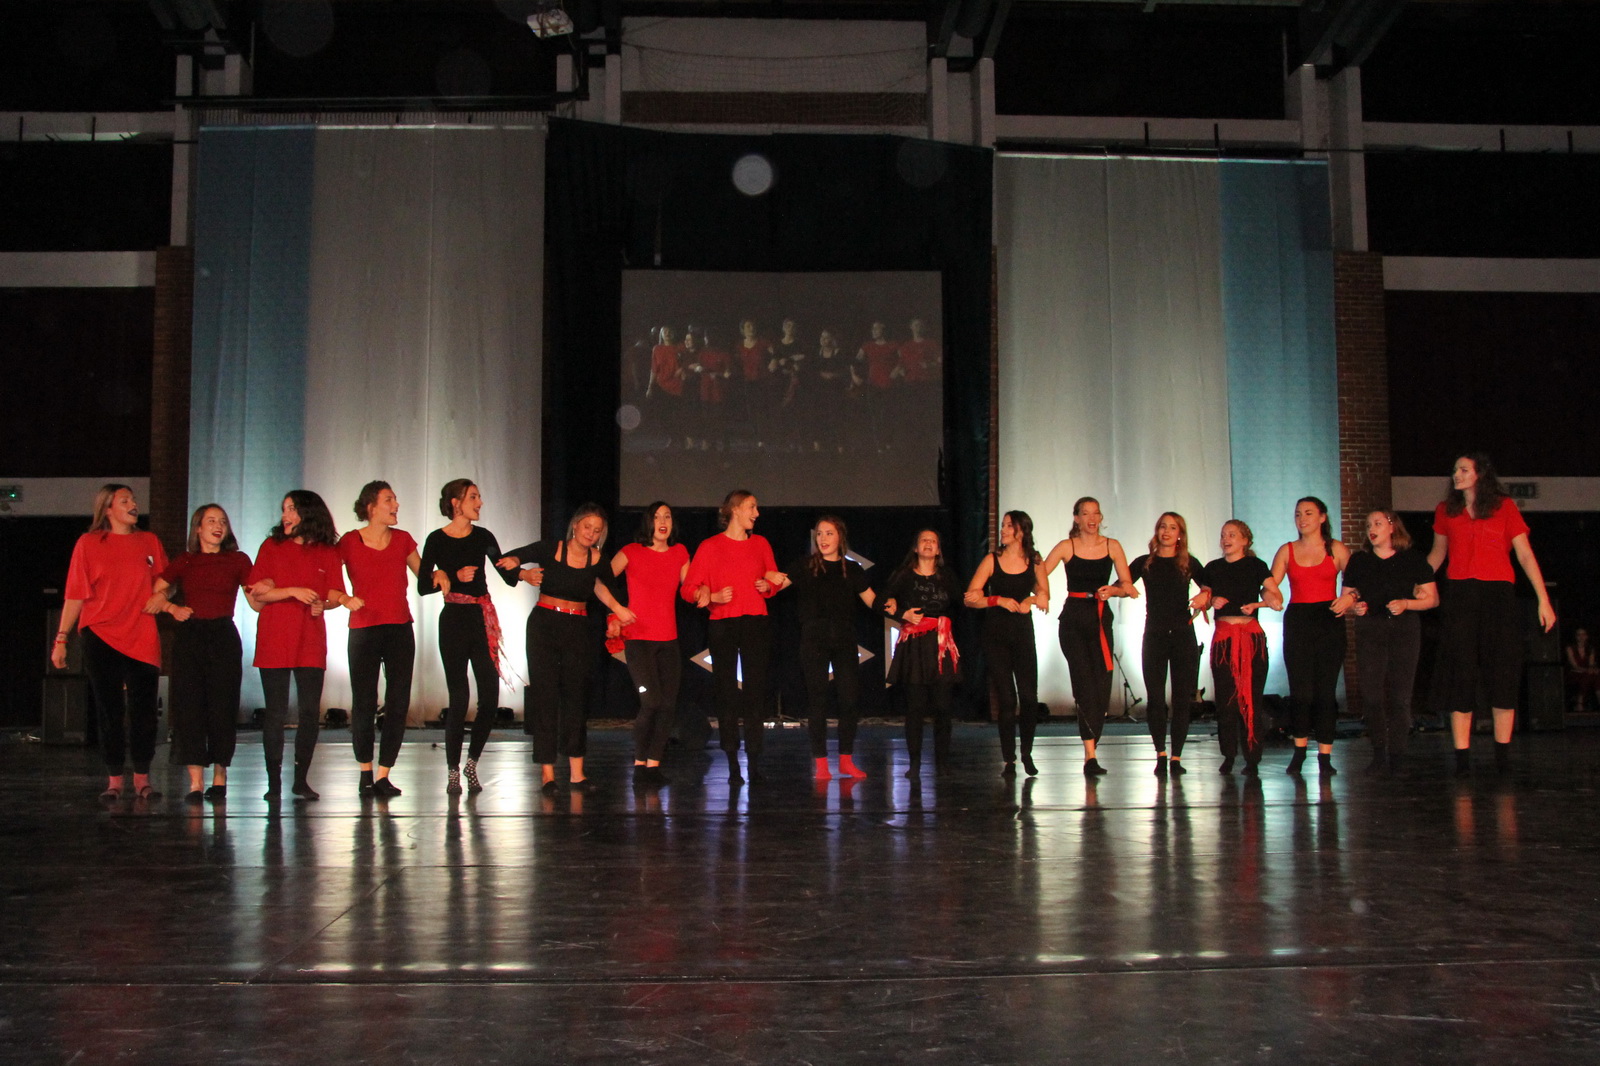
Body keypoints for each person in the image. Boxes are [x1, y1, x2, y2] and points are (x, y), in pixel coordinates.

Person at [1427, 452, 1556, 775]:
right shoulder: (1446, 510)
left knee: (1502, 672)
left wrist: (1543, 599)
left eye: (1463, 469)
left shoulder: (1504, 507)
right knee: (1461, 673)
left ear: (1480, 474)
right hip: (1460, 595)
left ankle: (1502, 758)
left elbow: (1525, 555)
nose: (1456, 474)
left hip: (1498, 596)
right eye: (1455, 469)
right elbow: (1438, 554)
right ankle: (1461, 759)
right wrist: (1414, 582)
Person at [502, 504, 636, 794]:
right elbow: (508, 560)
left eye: (597, 531)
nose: (591, 533)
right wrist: (523, 574)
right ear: (575, 525)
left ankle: (577, 773)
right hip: (544, 625)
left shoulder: (598, 558)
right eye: (587, 527)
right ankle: (547, 774)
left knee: (576, 697)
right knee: (545, 696)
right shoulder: (550, 548)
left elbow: (604, 587)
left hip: (578, 628)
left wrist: (617, 612)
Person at [52, 484, 172, 802]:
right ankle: (115, 779)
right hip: (102, 635)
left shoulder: (149, 541)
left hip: (142, 634)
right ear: (108, 509)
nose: (133, 504)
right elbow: (75, 594)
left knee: (145, 711)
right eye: (125, 500)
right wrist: (61, 638)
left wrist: (163, 595)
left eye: (133, 499)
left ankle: (143, 778)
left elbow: (166, 582)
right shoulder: (89, 543)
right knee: (110, 710)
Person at [417, 479, 519, 795]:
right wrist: (449, 576)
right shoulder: (436, 539)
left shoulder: (483, 537)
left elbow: (506, 574)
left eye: (479, 496)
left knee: (490, 695)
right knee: (459, 697)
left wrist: (523, 570)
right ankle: (452, 771)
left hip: (480, 619)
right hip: (453, 620)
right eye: (473, 497)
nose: (480, 502)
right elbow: (422, 585)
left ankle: (472, 763)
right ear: (455, 503)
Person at [246, 490, 349, 801]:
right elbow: (257, 594)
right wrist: (292, 591)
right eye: (283, 509)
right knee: (275, 712)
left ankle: (300, 780)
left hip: (310, 640)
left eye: (291, 509)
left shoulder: (327, 551)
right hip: (275, 637)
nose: (285, 516)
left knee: (309, 712)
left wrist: (322, 604)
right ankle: (273, 783)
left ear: (308, 513)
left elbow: (333, 594)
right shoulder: (271, 546)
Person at [682, 490, 789, 785]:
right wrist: (711, 595)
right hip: (723, 623)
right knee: (726, 692)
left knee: (755, 692)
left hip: (755, 622)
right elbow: (688, 589)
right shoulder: (710, 546)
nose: (757, 513)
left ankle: (754, 761)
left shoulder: (761, 543)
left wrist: (768, 585)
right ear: (735, 509)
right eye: (752, 507)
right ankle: (732, 762)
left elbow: (774, 580)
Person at [149, 504, 252, 803]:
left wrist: (270, 588)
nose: (218, 526)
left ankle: (220, 776)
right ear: (198, 528)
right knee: (190, 706)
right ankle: (195, 782)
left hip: (223, 634)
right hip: (191, 635)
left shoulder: (238, 559)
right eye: (211, 521)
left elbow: (255, 594)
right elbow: (158, 590)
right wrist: (172, 608)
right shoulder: (186, 560)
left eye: (223, 521)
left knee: (222, 706)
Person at [338, 481, 422, 798]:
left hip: (399, 628)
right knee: (364, 702)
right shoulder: (349, 541)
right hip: (364, 628)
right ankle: (365, 772)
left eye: (396, 499)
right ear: (371, 507)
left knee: (398, 702)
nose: (396, 505)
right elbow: (327, 575)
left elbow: (425, 575)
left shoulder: (402, 540)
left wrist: (442, 575)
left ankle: (384, 773)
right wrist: (343, 598)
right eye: (389, 500)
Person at [1042, 497, 1135, 774]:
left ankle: (1093, 745)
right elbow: (1039, 572)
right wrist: (1041, 594)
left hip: (1100, 618)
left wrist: (1113, 590)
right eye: (1086, 513)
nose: (1092, 518)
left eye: (1096, 513)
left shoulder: (1112, 546)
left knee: (1102, 685)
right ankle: (1090, 755)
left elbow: (1127, 585)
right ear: (1077, 518)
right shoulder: (1066, 546)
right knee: (1083, 684)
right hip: (1073, 619)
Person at [1342, 510, 1438, 775]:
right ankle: (1378, 752)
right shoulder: (1359, 560)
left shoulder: (1412, 559)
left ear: (1392, 527)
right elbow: (1348, 597)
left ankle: (1397, 755)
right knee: (1371, 695)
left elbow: (1432, 599)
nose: (1371, 529)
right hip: (1371, 629)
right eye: (1368, 525)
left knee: (1400, 696)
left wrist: (1407, 603)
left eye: (1377, 524)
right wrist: (1355, 607)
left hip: (1404, 628)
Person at [1266, 496, 1354, 776]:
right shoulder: (1287, 550)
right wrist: (1271, 596)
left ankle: (1325, 756)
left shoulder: (1336, 549)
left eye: (1308, 513)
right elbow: (1269, 584)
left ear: (1322, 517)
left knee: (1325, 692)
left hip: (1328, 621)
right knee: (1301, 692)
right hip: (1299, 622)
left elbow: (1357, 582)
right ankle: (1300, 750)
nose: (1302, 519)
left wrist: (1349, 598)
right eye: (1298, 514)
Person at [788, 515, 877, 780]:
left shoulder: (853, 570)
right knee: (817, 700)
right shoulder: (805, 566)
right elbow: (776, 584)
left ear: (840, 537)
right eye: (819, 534)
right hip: (814, 640)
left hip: (844, 640)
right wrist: (765, 580)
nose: (823, 539)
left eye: (829, 533)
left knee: (849, 699)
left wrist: (897, 608)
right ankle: (821, 763)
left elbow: (873, 601)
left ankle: (846, 760)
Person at [611, 502, 691, 786]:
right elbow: (600, 581)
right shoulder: (631, 552)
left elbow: (690, 589)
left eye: (667, 516)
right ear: (648, 522)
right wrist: (615, 613)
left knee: (667, 706)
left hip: (668, 641)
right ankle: (639, 764)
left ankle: (653, 766)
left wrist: (708, 592)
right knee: (651, 701)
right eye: (657, 517)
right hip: (639, 640)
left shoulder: (680, 553)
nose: (663, 521)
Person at [964, 511, 1048, 776]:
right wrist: (996, 600)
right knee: (1007, 698)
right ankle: (1009, 759)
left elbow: (1044, 594)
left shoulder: (1035, 560)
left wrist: (1031, 600)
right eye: (1003, 525)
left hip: (1022, 633)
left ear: (1021, 531)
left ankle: (1027, 753)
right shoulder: (992, 560)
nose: (1003, 530)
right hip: (996, 633)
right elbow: (970, 597)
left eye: (1008, 526)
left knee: (1029, 697)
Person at [1127, 512, 1211, 777]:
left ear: (1180, 534)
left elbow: (1210, 588)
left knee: (1182, 699)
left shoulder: (1189, 562)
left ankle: (1176, 757)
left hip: (1183, 636)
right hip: (1155, 634)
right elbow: (1122, 583)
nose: (1166, 531)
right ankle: (1160, 754)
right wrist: (1115, 590)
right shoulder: (1145, 562)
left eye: (1172, 528)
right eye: (1162, 526)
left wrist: (1205, 596)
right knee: (1155, 697)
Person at [1197, 520, 1281, 775]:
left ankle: (1252, 757)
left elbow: (1273, 594)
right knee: (1226, 700)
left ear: (1245, 540)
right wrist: (1211, 599)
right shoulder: (1213, 567)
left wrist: (1261, 604)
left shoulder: (1256, 565)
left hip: (1251, 638)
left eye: (1232, 535)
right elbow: (1204, 596)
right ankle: (1229, 755)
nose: (1226, 539)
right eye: (1223, 535)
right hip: (1224, 639)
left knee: (1251, 698)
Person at [883, 529, 963, 777]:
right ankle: (915, 763)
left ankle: (942, 762)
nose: (928, 544)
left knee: (943, 707)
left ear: (938, 550)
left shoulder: (947, 576)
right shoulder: (904, 575)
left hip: (940, 645)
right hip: (915, 646)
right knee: (915, 708)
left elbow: (961, 604)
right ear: (916, 548)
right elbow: (883, 601)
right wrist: (902, 614)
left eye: (933, 541)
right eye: (923, 540)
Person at [1568, 627, 1599, 713]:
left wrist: (1593, 669)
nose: (1581, 637)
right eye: (1579, 635)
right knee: (1588, 676)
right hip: (1575, 673)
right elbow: (1574, 666)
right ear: (1576, 637)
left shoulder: (1590, 649)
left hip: (1587, 674)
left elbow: (1591, 664)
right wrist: (1587, 670)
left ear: (1586, 636)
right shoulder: (1570, 648)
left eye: (1583, 635)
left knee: (1596, 676)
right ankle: (1579, 702)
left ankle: (1580, 703)